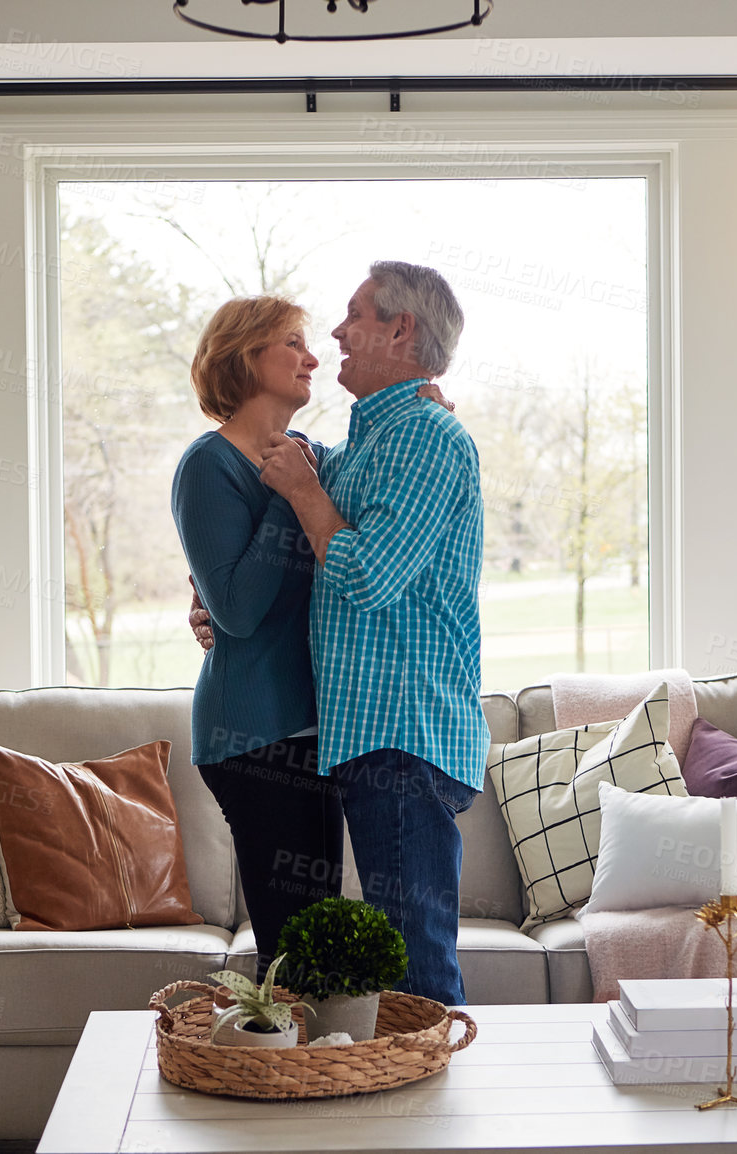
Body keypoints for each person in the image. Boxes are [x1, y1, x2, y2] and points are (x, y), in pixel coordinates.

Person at [171, 295, 452, 976]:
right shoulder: (209, 466)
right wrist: (284, 491)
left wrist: (435, 415)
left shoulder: (314, 461)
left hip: (315, 733)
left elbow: (364, 523)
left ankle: (316, 1076)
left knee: (315, 950)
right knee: (292, 957)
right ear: (246, 356)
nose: (313, 357)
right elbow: (235, 611)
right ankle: (266, 1080)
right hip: (252, 737)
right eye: (292, 343)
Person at [250, 261, 489, 1007]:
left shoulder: (425, 438)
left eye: (353, 315)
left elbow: (362, 574)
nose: (335, 332)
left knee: (417, 972)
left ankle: (441, 1121)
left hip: (403, 740)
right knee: (402, 961)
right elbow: (330, 510)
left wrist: (303, 488)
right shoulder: (378, 442)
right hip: (380, 739)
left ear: (400, 328)